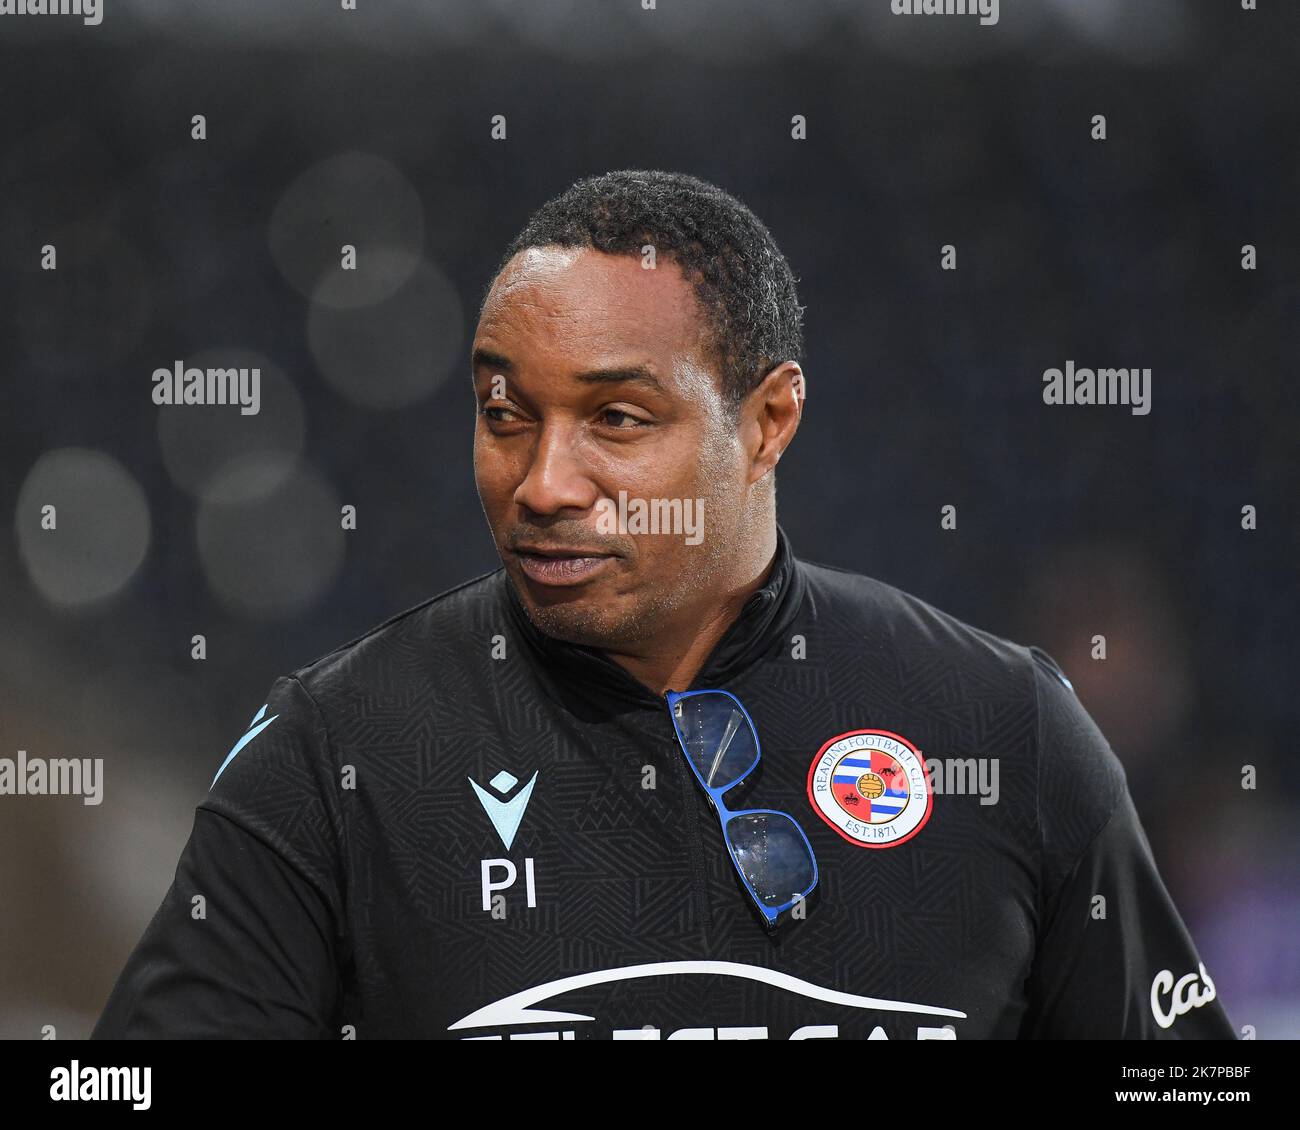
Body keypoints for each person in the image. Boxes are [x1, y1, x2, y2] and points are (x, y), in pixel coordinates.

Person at [92, 170, 1233, 1040]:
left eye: (617, 420)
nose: (543, 482)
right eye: (504, 413)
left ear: (769, 421)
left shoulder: (1003, 728)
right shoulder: (336, 754)